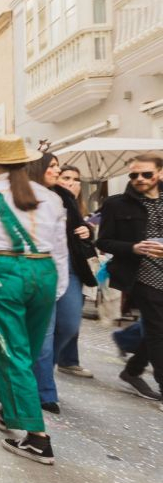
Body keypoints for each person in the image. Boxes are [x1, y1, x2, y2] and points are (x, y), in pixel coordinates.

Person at [0, 135, 67, 464]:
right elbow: (60, 248)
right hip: (45, 272)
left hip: (7, 273)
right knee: (28, 349)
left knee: (12, 350)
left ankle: (37, 437)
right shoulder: (51, 197)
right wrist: (59, 286)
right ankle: (7, 406)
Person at [27, 153, 98, 415]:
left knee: (69, 326)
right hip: (40, 269)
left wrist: (87, 231)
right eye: (53, 166)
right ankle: (44, 391)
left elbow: (80, 229)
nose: (57, 171)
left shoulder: (64, 197)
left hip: (70, 267)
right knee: (44, 334)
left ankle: (38, 371)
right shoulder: (23, 195)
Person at [96, 154, 163, 402]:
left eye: (146, 174)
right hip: (142, 276)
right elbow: (103, 241)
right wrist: (133, 248)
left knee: (157, 330)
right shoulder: (116, 204)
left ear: (160, 173)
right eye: (134, 174)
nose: (139, 179)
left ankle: (133, 371)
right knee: (157, 331)